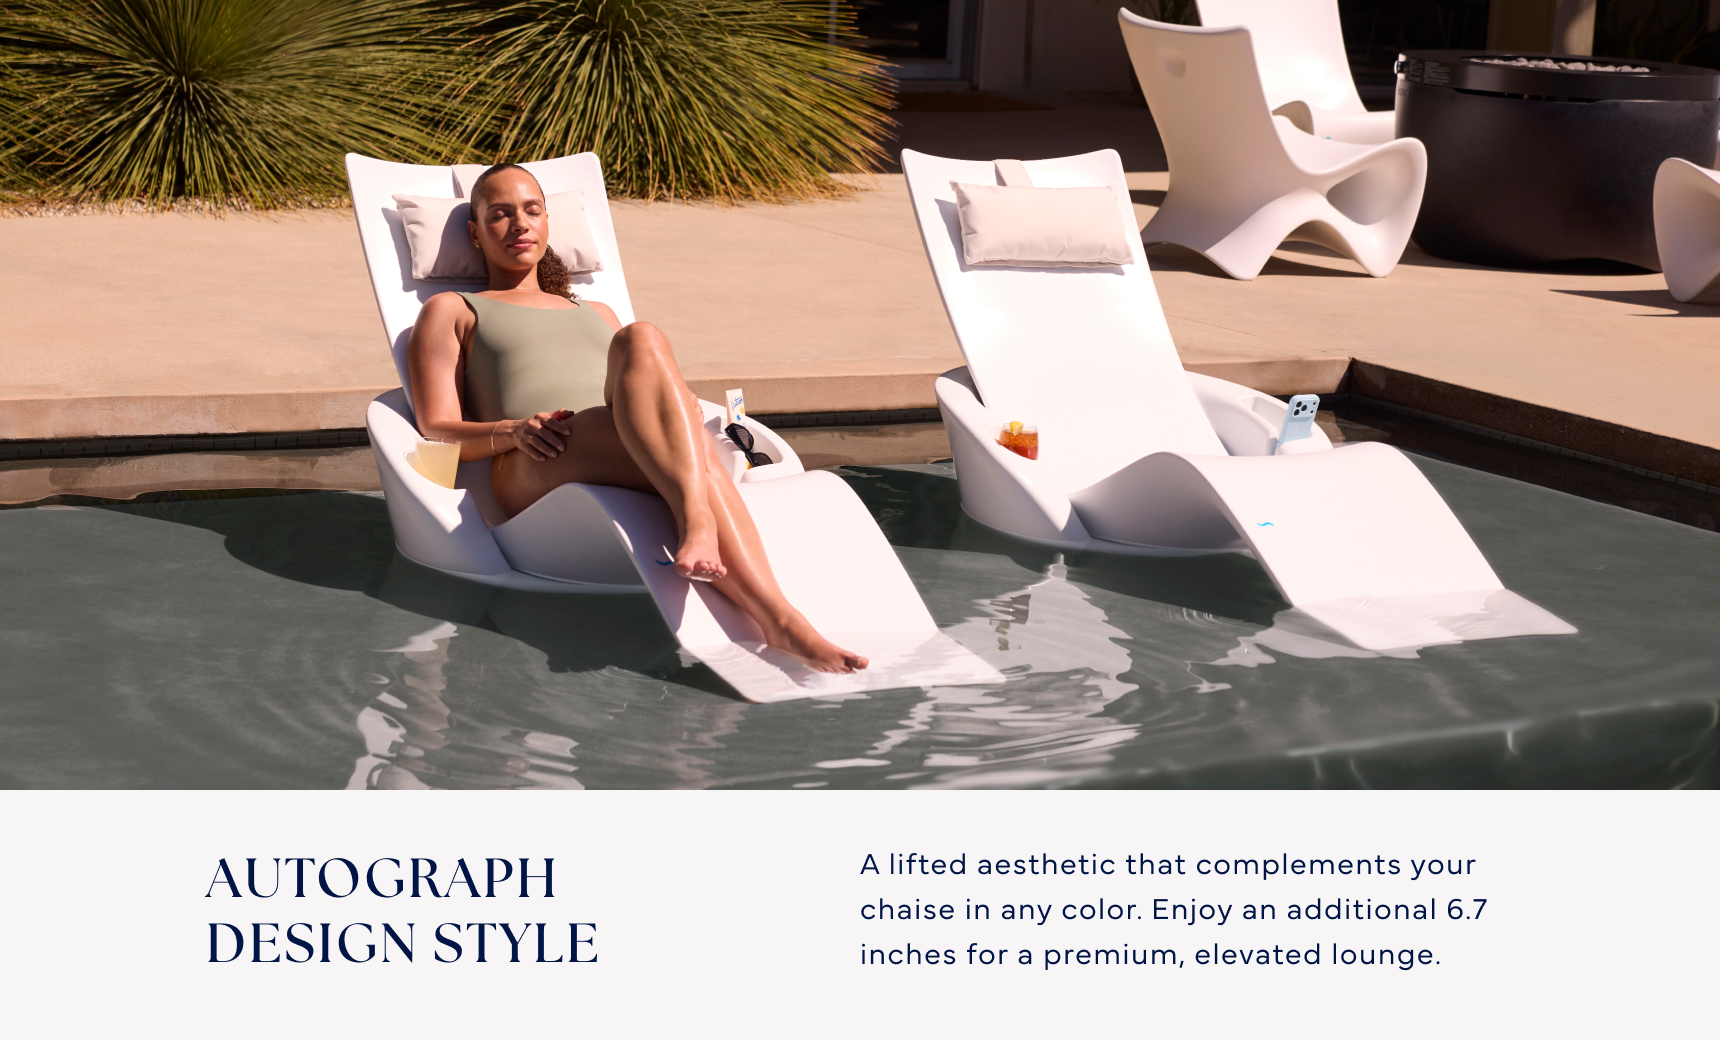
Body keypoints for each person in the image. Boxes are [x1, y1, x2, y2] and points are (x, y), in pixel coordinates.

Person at [407, 163, 867, 674]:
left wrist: (680, 402)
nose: (520, 224)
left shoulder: (595, 311)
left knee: (643, 336)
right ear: (475, 233)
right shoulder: (454, 309)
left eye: (532, 210)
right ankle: (774, 611)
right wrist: (513, 430)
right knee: (689, 452)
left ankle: (739, 569)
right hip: (537, 457)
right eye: (500, 215)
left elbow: (643, 381)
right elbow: (435, 429)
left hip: (614, 435)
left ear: (548, 223)